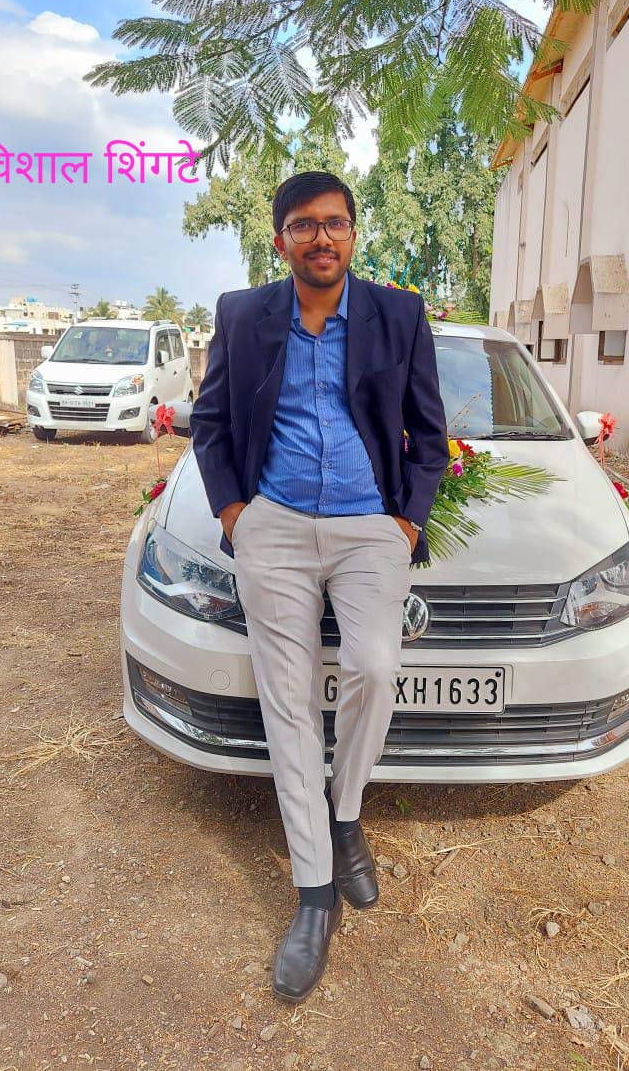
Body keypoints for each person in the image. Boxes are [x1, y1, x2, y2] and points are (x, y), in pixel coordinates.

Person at [189, 171, 449, 1003]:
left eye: (334, 223)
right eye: (303, 225)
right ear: (280, 241)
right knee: (289, 701)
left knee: (374, 667)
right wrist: (235, 513)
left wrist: (404, 520)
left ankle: (344, 818)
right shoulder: (242, 315)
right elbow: (210, 421)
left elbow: (429, 433)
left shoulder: (397, 315)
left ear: (352, 233)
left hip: (370, 525)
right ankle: (312, 895)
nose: (321, 238)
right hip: (273, 526)